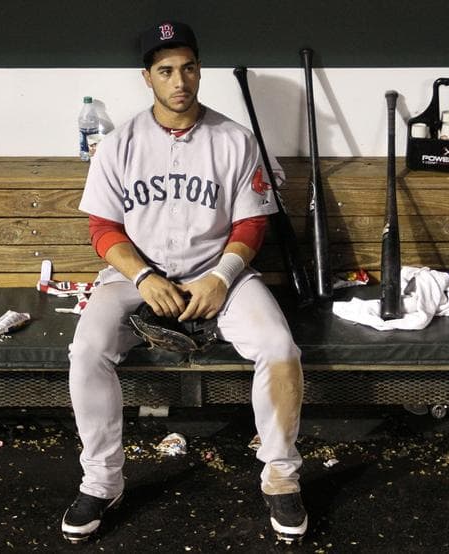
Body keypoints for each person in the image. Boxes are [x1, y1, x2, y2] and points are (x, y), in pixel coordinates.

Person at [61, 21, 307, 545]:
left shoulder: (234, 140)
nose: (180, 81)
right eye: (166, 70)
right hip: (136, 276)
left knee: (280, 347)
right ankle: (102, 481)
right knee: (87, 349)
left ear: (200, 70)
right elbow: (102, 229)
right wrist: (144, 276)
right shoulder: (119, 143)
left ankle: (281, 474)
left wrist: (221, 277)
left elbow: (251, 224)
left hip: (220, 272)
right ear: (147, 77)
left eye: (189, 68)